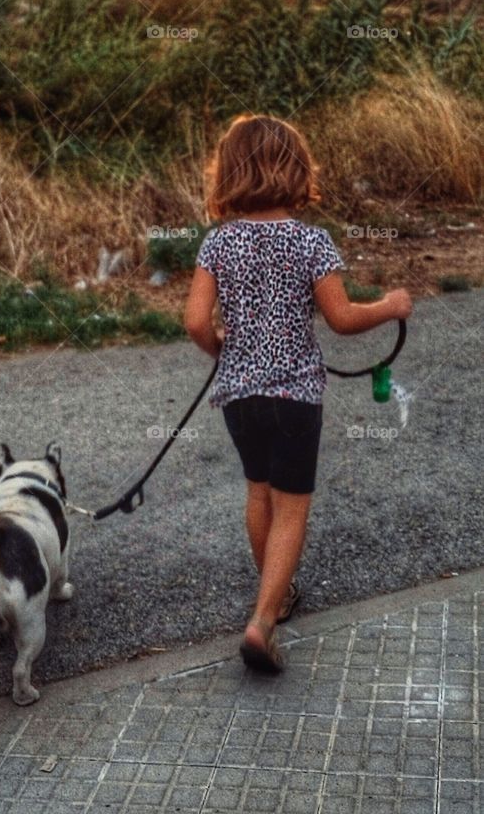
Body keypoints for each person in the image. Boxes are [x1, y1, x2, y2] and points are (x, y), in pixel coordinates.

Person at [184, 113, 412, 674]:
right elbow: (342, 318)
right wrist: (390, 306)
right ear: (296, 170)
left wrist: (222, 349)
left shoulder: (218, 243)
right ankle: (263, 622)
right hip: (296, 397)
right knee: (291, 508)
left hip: (239, 397)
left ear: (230, 172)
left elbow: (194, 321)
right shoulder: (311, 241)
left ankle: (277, 596)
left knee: (258, 492)